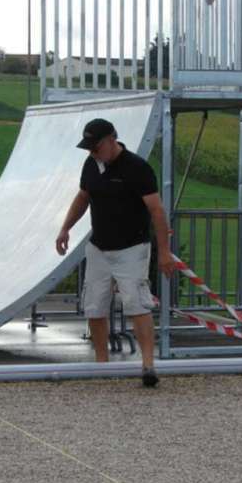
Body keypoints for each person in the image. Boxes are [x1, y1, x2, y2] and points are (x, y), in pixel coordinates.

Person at [56, 118, 175, 387]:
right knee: (94, 306)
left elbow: (156, 211)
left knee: (136, 303)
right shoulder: (91, 165)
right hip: (99, 247)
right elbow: (83, 197)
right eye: (89, 148)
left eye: (96, 147)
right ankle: (102, 364)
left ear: (112, 140)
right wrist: (65, 228)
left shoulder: (137, 168)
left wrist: (165, 253)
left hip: (132, 248)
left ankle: (148, 365)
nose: (92, 153)